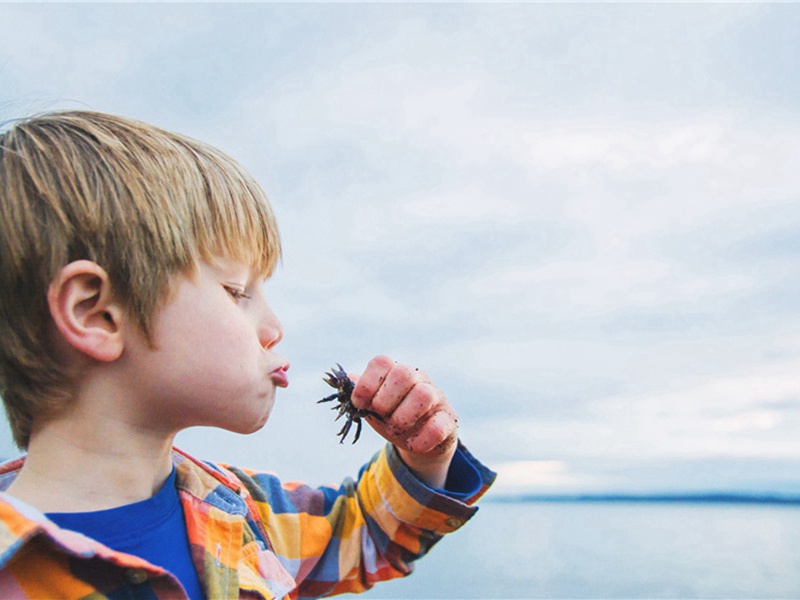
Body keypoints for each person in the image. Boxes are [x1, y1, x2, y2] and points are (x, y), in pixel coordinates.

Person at [0, 111, 495, 599]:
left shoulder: (249, 512)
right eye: (237, 291)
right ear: (97, 314)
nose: (274, 328)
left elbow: (367, 530)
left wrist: (426, 453)